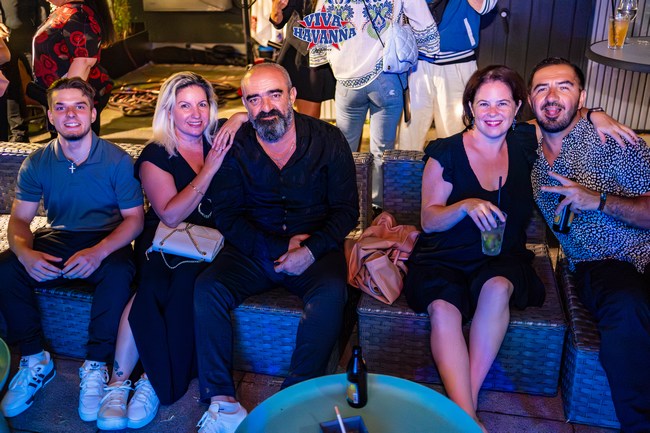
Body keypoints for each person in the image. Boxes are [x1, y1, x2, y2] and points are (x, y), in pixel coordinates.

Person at [193, 63, 359, 433]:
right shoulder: (233, 145)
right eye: (254, 99)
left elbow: (347, 211)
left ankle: (294, 400)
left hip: (314, 247)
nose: (266, 107)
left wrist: (310, 250)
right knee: (207, 287)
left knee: (331, 293)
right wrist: (279, 246)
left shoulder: (328, 139)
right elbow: (227, 214)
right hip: (253, 248)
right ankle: (222, 401)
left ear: (293, 96)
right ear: (245, 104)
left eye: (275, 95)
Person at [93, 71, 245, 431]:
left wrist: (238, 117)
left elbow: (258, 113)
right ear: (169, 111)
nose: (195, 114)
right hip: (163, 240)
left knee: (188, 285)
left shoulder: (218, 138)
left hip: (208, 243)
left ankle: (153, 380)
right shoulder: (156, 154)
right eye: (185, 106)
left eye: (202, 104)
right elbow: (171, 214)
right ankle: (118, 383)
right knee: (153, 287)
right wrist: (209, 170)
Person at [403, 65, 546, 431]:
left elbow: (565, 114)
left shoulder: (524, 142)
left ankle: (461, 413)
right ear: (469, 106)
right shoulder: (446, 152)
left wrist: (596, 115)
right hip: (444, 257)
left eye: (502, 103)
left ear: (518, 107)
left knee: (498, 287)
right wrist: (465, 205)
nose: (493, 112)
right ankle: (468, 420)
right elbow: (429, 220)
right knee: (443, 308)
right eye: (483, 104)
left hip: (501, 256)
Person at [0, 77, 144, 421]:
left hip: (106, 238)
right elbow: (19, 220)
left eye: (79, 106)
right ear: (50, 116)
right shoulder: (37, 161)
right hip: (58, 237)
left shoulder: (117, 161)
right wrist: (26, 253)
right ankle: (35, 358)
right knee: (5, 267)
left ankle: (95, 366)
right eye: (60, 107)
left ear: (93, 113)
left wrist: (99, 252)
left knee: (121, 272)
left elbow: (134, 220)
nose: (70, 114)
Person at [528, 57, 650, 433]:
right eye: (541, 89)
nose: (552, 96)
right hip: (599, 264)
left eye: (564, 87)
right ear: (530, 101)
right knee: (627, 307)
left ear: (581, 97)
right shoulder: (528, 152)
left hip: (644, 248)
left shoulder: (612, 141)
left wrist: (597, 200)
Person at [310, 0, 439, 203]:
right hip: (386, 76)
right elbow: (423, 23)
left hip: (347, 80)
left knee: (345, 149)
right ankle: (377, 207)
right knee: (382, 152)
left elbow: (319, 32)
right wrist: (424, 46)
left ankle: (345, 205)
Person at [398, 0, 497, 150]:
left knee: (454, 132)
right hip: (419, 61)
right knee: (410, 132)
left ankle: (451, 165)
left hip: (457, 61)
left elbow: (484, 6)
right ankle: (405, 166)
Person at [31, 0, 116, 135]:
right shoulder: (69, 11)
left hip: (73, 99)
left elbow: (84, 62)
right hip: (61, 97)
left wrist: (65, 104)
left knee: (75, 143)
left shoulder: (78, 15)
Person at [270, 0, 336, 118]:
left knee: (350, 117)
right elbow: (278, 20)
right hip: (305, 52)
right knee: (309, 119)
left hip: (341, 49)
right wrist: (277, 8)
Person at [0, 0, 44, 142]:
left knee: (42, 85)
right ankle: (19, 133)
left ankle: (56, 129)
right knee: (11, 88)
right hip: (7, 42)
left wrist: (43, 31)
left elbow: (42, 6)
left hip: (32, 39)